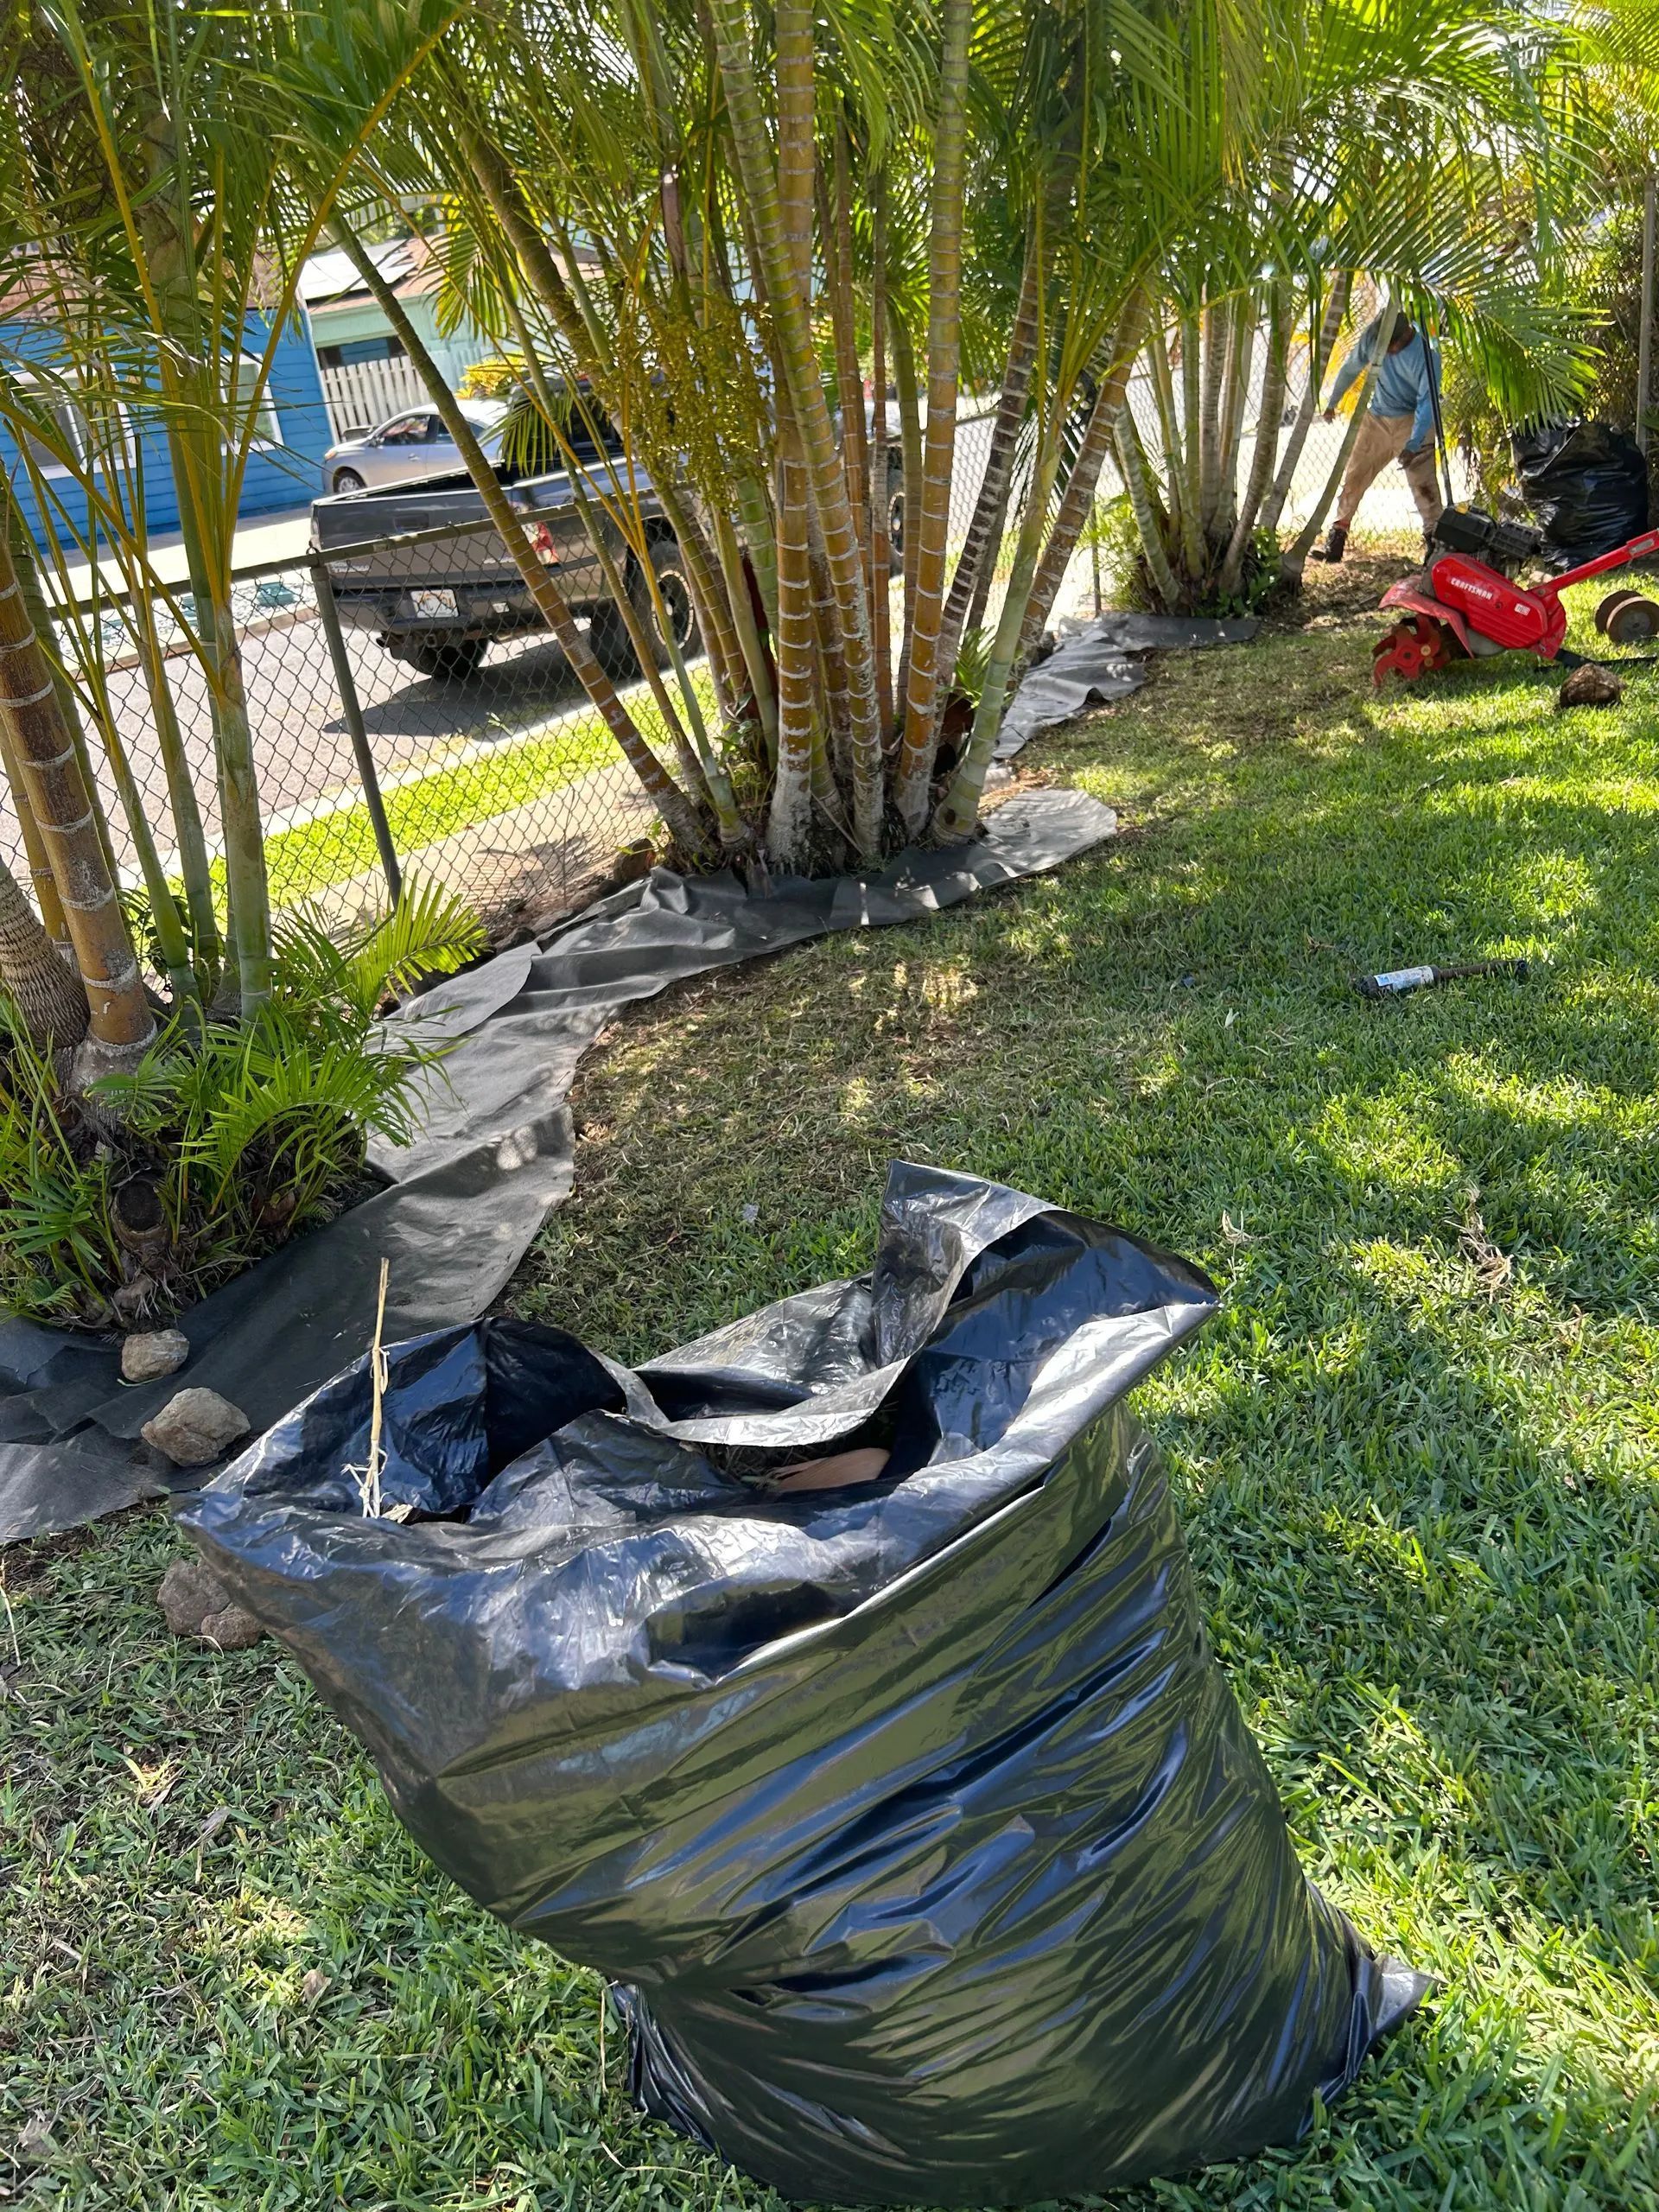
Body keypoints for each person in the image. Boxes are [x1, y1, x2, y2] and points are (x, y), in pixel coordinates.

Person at [1313, 312, 1444, 563]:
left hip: (1413, 420)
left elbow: (1427, 403)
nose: (1383, 350)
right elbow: (1351, 367)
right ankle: (1337, 539)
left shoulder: (1427, 356)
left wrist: (1414, 442)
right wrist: (1332, 402)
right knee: (1354, 477)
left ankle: (1434, 546)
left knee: (1424, 486)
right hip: (1377, 419)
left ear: (1404, 336)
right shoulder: (1373, 337)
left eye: (1389, 345)